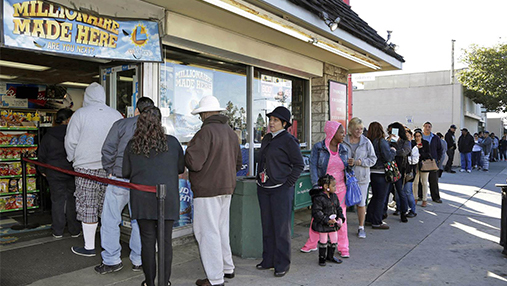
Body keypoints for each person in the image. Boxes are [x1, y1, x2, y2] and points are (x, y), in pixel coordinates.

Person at [122, 106, 184, 286]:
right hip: (168, 198)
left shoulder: (132, 144)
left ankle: (149, 282)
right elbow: (180, 168)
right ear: (160, 121)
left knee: (147, 242)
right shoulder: (172, 142)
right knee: (165, 243)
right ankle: (164, 282)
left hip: (142, 198)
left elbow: (126, 172)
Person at [185, 96, 242, 286]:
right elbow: (238, 163)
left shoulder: (205, 132)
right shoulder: (231, 133)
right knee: (221, 229)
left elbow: (194, 162)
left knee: (207, 232)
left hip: (207, 189)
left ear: (206, 113)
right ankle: (227, 268)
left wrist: (187, 153)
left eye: (201, 114)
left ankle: (215, 278)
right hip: (227, 187)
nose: (200, 117)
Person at [95, 97, 154, 274]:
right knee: (139, 221)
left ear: (136, 110)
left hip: (119, 179)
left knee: (111, 219)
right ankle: (138, 260)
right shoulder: (155, 127)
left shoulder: (121, 124)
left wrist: (110, 169)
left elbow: (108, 149)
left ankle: (112, 260)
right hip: (143, 182)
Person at [65, 83, 123, 256]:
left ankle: (89, 246)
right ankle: (109, 247)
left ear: (87, 96)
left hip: (85, 168)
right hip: (109, 170)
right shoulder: (115, 114)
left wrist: (73, 158)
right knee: (108, 208)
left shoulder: (80, 114)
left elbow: (70, 141)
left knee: (87, 205)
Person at [256, 106, 304, 277]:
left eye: (276, 120)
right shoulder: (267, 138)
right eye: (270, 120)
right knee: (267, 226)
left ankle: (282, 263)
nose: (271, 123)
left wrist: (288, 184)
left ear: (284, 123)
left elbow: (299, 164)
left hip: (281, 190)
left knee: (281, 228)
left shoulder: (289, 140)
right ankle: (268, 260)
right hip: (264, 189)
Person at [301, 121, 350, 257]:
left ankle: (343, 247)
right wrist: (317, 187)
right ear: (332, 133)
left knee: (341, 218)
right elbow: (313, 167)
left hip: (340, 189)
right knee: (318, 216)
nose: (343, 134)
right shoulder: (319, 147)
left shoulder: (344, 148)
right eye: (341, 132)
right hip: (324, 189)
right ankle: (312, 243)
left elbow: (347, 169)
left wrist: (350, 164)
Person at [38, 108, 81, 238]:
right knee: (72, 200)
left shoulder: (48, 135)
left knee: (57, 201)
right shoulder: (74, 134)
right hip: (71, 171)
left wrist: (43, 170)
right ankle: (74, 230)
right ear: (69, 120)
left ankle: (58, 230)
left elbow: (41, 154)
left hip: (53, 172)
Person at [342, 117, 376, 239]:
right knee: (342, 203)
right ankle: (341, 228)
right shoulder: (343, 141)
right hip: (344, 177)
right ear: (350, 129)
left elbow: (373, 159)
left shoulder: (366, 142)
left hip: (361, 178)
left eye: (361, 129)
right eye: (357, 129)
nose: (359, 131)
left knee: (361, 203)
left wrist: (360, 162)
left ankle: (361, 227)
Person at [365, 121, 396, 229]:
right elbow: (388, 158)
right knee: (380, 198)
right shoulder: (381, 141)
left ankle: (369, 218)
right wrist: (393, 150)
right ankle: (377, 221)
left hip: (372, 172)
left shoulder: (368, 141)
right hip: (382, 173)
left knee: (374, 197)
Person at [310, 174, 345, 266]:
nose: (335, 187)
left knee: (334, 239)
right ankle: (322, 258)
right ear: (326, 187)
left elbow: (338, 208)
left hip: (332, 224)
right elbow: (317, 212)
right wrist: (326, 220)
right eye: (333, 185)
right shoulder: (318, 198)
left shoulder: (334, 196)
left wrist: (340, 217)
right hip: (323, 224)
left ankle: (330, 256)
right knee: (323, 240)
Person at [386, 122, 411, 223]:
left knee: (401, 192)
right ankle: (384, 211)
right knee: (387, 191)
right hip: (389, 168)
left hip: (400, 169)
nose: (391, 132)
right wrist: (389, 141)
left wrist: (394, 149)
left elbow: (405, 151)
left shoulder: (405, 141)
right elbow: (385, 151)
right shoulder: (388, 140)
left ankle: (403, 212)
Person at [422, 122, 443, 203]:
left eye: (429, 127)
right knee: (422, 180)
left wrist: (438, 158)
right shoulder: (420, 136)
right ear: (423, 127)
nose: (427, 128)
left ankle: (436, 197)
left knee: (434, 180)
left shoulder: (435, 137)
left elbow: (440, 149)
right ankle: (420, 196)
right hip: (423, 161)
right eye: (426, 126)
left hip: (432, 161)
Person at [412, 130, 431, 207]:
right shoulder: (413, 143)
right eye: (416, 136)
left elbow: (428, 154)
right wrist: (416, 147)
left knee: (424, 182)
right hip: (415, 165)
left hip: (424, 164)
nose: (417, 138)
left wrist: (421, 152)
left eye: (419, 136)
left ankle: (424, 199)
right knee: (415, 183)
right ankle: (415, 198)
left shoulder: (425, 143)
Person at [404, 128, 419, 217]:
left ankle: (412, 210)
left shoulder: (413, 146)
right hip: (401, 171)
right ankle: (401, 208)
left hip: (409, 171)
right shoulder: (400, 145)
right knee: (399, 192)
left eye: (408, 136)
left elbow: (415, 160)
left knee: (408, 191)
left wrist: (405, 158)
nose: (406, 138)